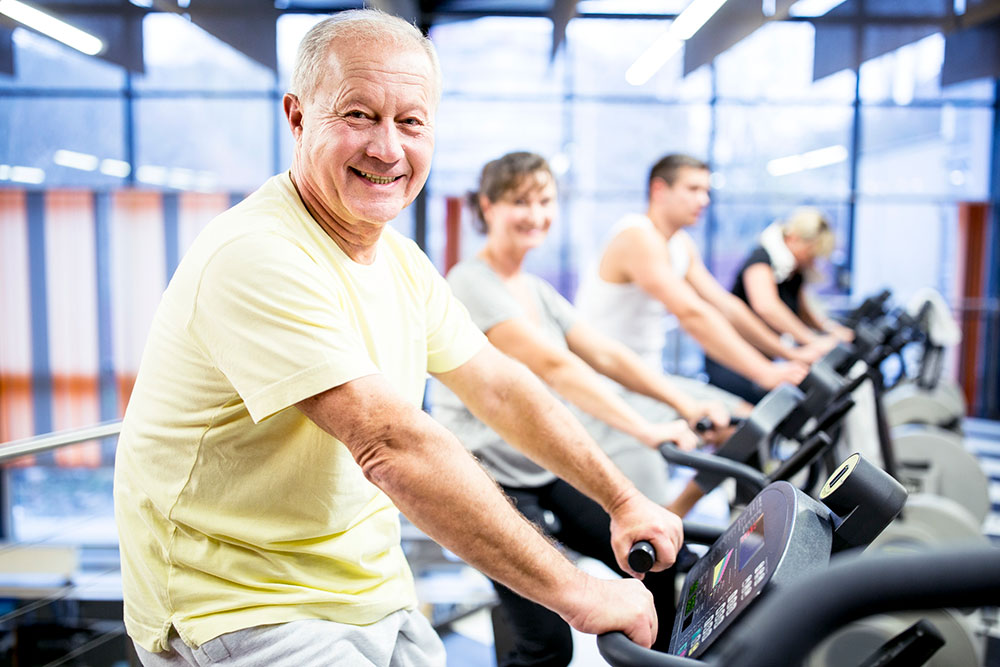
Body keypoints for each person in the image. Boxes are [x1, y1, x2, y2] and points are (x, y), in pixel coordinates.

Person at [113, 12, 682, 667]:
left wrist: (623, 499)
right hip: (244, 608)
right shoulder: (257, 254)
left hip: (372, 594)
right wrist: (579, 594)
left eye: (410, 122)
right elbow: (390, 442)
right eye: (358, 114)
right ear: (298, 118)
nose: (388, 149)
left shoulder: (401, 261)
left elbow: (498, 384)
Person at [431, 151, 727, 666]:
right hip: (491, 482)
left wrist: (682, 402)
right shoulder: (469, 283)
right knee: (547, 644)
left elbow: (607, 355)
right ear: (488, 208)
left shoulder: (538, 292)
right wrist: (646, 430)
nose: (535, 214)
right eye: (519, 201)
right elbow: (555, 366)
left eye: (544, 201)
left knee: (655, 558)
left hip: (540, 469)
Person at [575, 153, 818, 405]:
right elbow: (692, 314)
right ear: (659, 189)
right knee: (740, 425)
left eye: (706, 191)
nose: (703, 200)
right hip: (609, 386)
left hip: (647, 376)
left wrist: (791, 352)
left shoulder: (680, 244)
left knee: (746, 418)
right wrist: (765, 372)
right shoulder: (638, 237)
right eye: (692, 189)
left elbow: (726, 306)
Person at [732, 207, 854, 345]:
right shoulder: (761, 259)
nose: (812, 261)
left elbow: (803, 312)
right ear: (793, 239)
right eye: (810, 254)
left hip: (762, 350)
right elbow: (767, 307)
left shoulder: (795, 271)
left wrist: (830, 329)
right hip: (734, 349)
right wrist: (813, 341)